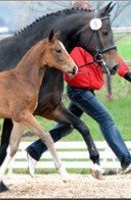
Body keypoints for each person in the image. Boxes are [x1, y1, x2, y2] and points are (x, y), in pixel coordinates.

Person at [26, 1, 131, 176]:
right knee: (106, 119)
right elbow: (73, 69)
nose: (90, 17)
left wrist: (126, 74)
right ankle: (126, 160)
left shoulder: (92, 38)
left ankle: (35, 150)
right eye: (86, 12)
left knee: (66, 127)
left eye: (90, 12)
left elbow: (110, 54)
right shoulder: (72, 41)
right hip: (79, 90)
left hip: (86, 90)